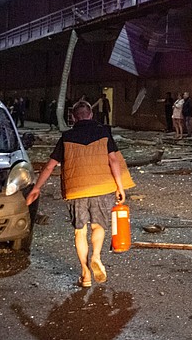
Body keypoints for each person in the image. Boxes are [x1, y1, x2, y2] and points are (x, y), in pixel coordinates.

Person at [26, 101, 134, 288]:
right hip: (101, 188)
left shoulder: (67, 137)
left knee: (80, 231)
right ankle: (96, 257)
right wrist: (120, 187)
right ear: (91, 115)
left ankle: (85, 273)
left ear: (74, 117)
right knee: (98, 226)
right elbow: (114, 160)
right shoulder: (103, 133)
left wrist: (37, 188)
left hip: (76, 190)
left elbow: (50, 165)